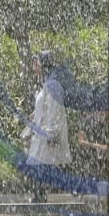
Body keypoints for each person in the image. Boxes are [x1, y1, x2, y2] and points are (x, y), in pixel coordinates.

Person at [21, 51, 71, 201]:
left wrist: (51, 134)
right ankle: (40, 194)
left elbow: (54, 111)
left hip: (47, 132)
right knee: (39, 163)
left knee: (39, 163)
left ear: (43, 64)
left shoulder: (52, 85)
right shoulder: (47, 83)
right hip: (42, 131)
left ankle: (40, 195)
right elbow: (45, 106)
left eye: (35, 64)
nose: (33, 67)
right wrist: (34, 115)